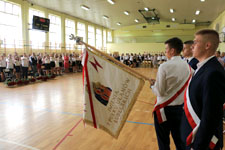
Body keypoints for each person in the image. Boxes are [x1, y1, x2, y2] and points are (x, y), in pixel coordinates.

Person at [181, 29, 225, 150]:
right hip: (192, 133)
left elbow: (211, 116)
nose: (192, 46)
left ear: (207, 45)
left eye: (196, 42)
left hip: (201, 142)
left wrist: (198, 145)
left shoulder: (213, 72)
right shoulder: (203, 67)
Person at [151, 37, 192, 150]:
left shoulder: (164, 66)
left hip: (164, 110)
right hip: (181, 109)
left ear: (172, 51)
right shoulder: (188, 66)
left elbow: (160, 91)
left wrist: (152, 86)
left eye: (166, 49)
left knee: (163, 142)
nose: (165, 52)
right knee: (179, 141)